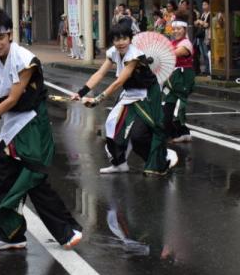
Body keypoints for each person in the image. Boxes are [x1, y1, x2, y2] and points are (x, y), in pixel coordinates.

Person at [0, 8, 81, 252]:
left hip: (32, 122)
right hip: (11, 123)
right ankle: (11, 237)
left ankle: (68, 231)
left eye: (1, 37)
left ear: (10, 34)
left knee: (33, 178)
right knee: (2, 179)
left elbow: (12, 99)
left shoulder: (24, 59)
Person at [75, 19, 178, 176]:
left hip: (147, 96)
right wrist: (81, 92)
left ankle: (162, 157)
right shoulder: (113, 52)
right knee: (111, 127)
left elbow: (119, 82)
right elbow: (100, 73)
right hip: (129, 94)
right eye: (117, 39)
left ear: (130, 39)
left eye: (124, 38)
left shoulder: (134, 56)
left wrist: (97, 100)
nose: (121, 42)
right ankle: (119, 163)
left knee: (138, 135)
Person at [161, 16, 195, 142]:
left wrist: (158, 53)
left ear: (185, 29)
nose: (175, 31)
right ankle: (183, 133)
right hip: (172, 78)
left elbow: (173, 54)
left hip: (182, 77)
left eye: (179, 29)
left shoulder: (186, 44)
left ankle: (179, 133)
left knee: (177, 106)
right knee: (166, 103)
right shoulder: (173, 43)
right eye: (174, 29)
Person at [194, 0, 212, 73]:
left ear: (209, 5)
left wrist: (200, 22)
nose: (203, 6)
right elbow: (196, 23)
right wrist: (198, 22)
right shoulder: (203, 14)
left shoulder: (210, 14)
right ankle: (205, 69)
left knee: (206, 53)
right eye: (202, 5)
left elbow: (207, 25)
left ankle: (208, 70)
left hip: (207, 36)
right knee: (202, 53)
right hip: (201, 36)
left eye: (205, 4)